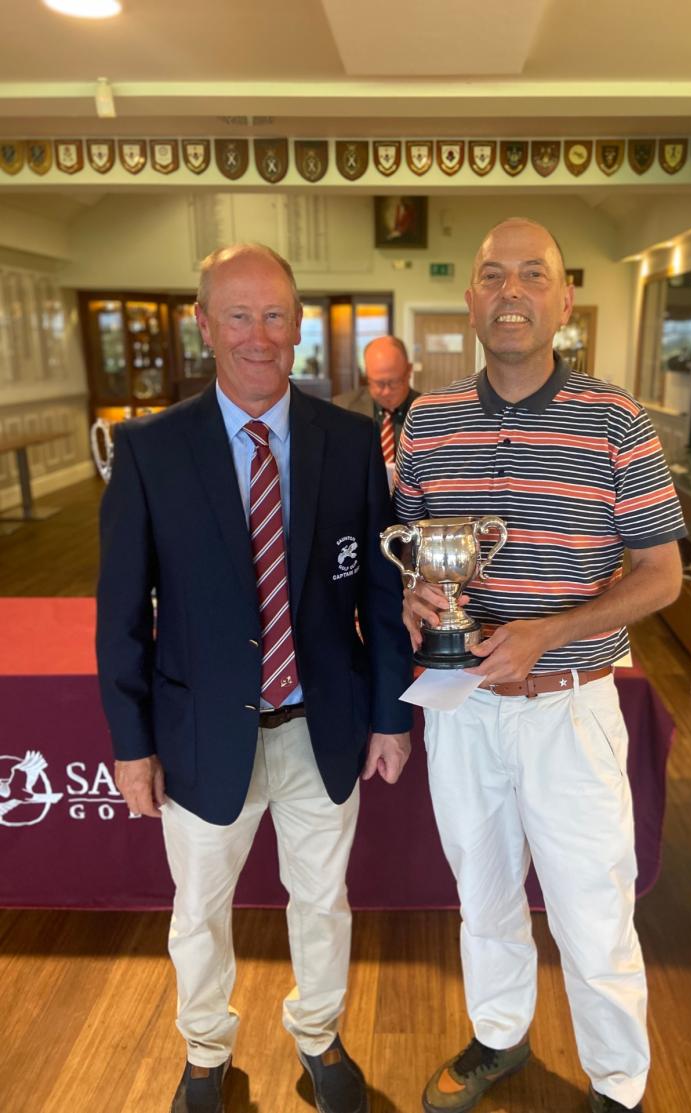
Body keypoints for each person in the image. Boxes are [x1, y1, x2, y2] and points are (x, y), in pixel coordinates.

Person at [96, 243, 413, 1113]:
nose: (258, 335)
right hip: (200, 734)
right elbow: (120, 614)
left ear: (298, 324)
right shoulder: (150, 450)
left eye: (274, 314)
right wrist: (131, 743)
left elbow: (380, 594)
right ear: (204, 325)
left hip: (322, 724)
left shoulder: (349, 442)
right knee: (199, 909)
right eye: (238, 315)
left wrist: (392, 715)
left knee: (322, 900)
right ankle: (206, 1050)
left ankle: (318, 1035)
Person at [394, 218, 684, 1113]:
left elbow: (662, 574)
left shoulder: (614, 419)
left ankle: (617, 1082)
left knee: (592, 910)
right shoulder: (428, 421)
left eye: (531, 275)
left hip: (569, 706)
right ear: (470, 299)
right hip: (463, 705)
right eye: (492, 275)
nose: (510, 291)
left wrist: (548, 632)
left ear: (563, 300)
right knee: (482, 894)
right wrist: (414, 600)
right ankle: (498, 1034)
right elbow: (409, 554)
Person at [333, 336, 420, 464]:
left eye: (394, 382)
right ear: (367, 375)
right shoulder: (342, 408)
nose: (386, 391)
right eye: (379, 384)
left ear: (409, 371)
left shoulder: (428, 411)